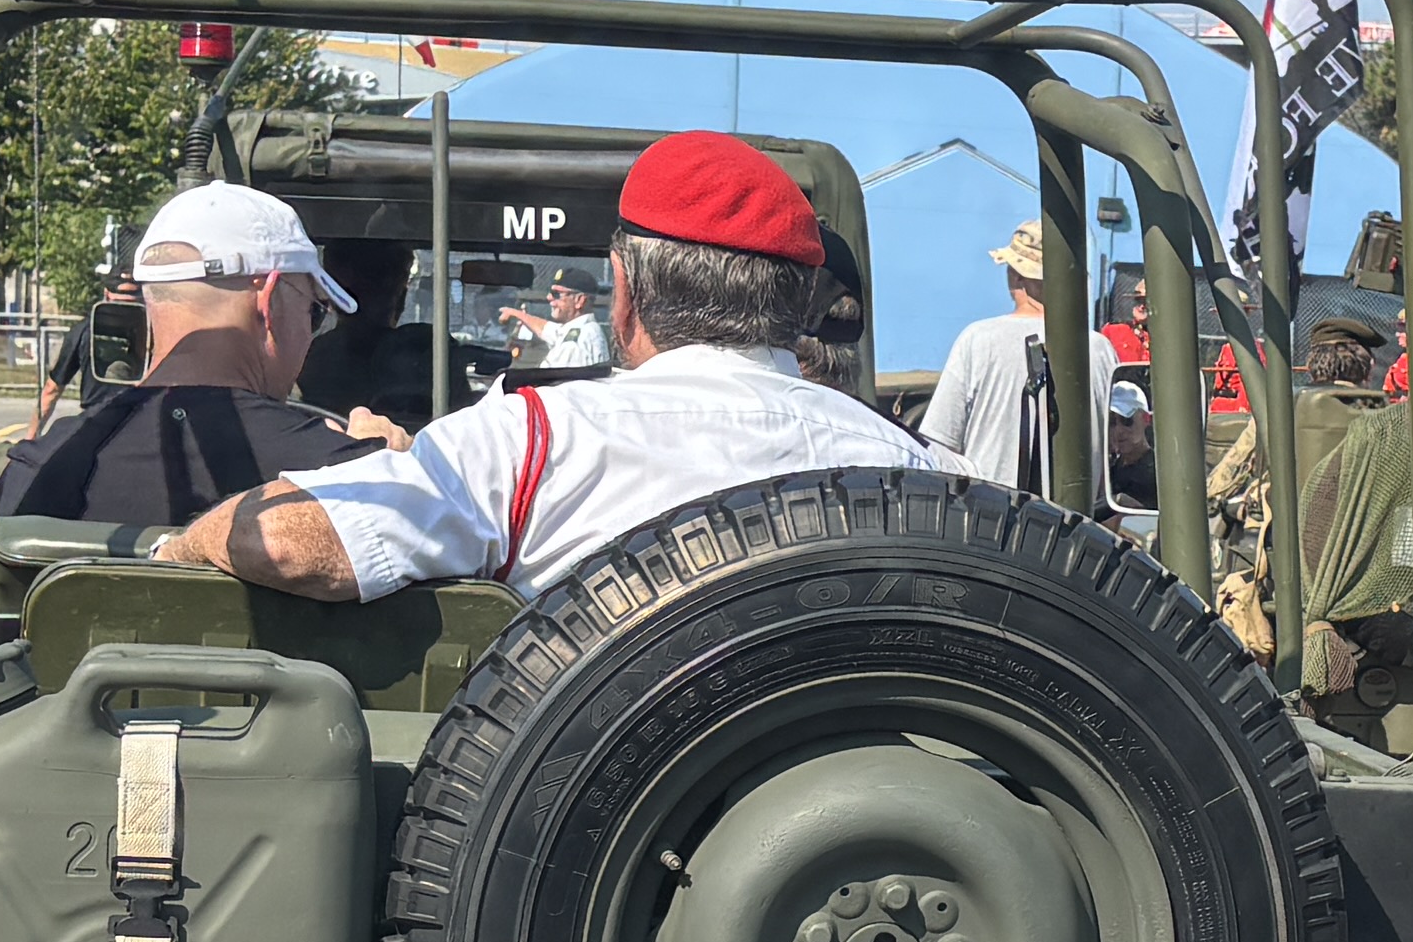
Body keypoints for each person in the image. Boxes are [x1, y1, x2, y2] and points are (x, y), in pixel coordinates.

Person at [172, 132, 933, 604]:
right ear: (799, 300)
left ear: (623, 292)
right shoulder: (926, 472)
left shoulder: (529, 442)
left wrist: (175, 548)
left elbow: (283, 542)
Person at [0, 183, 368, 528]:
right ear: (268, 300)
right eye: (314, 312)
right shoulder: (351, 479)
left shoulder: (36, 469)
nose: (310, 335)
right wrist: (386, 463)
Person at [920, 232, 1061, 489]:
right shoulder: (1100, 349)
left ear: (1017, 276)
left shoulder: (978, 339)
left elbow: (940, 445)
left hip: (990, 508)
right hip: (1079, 514)